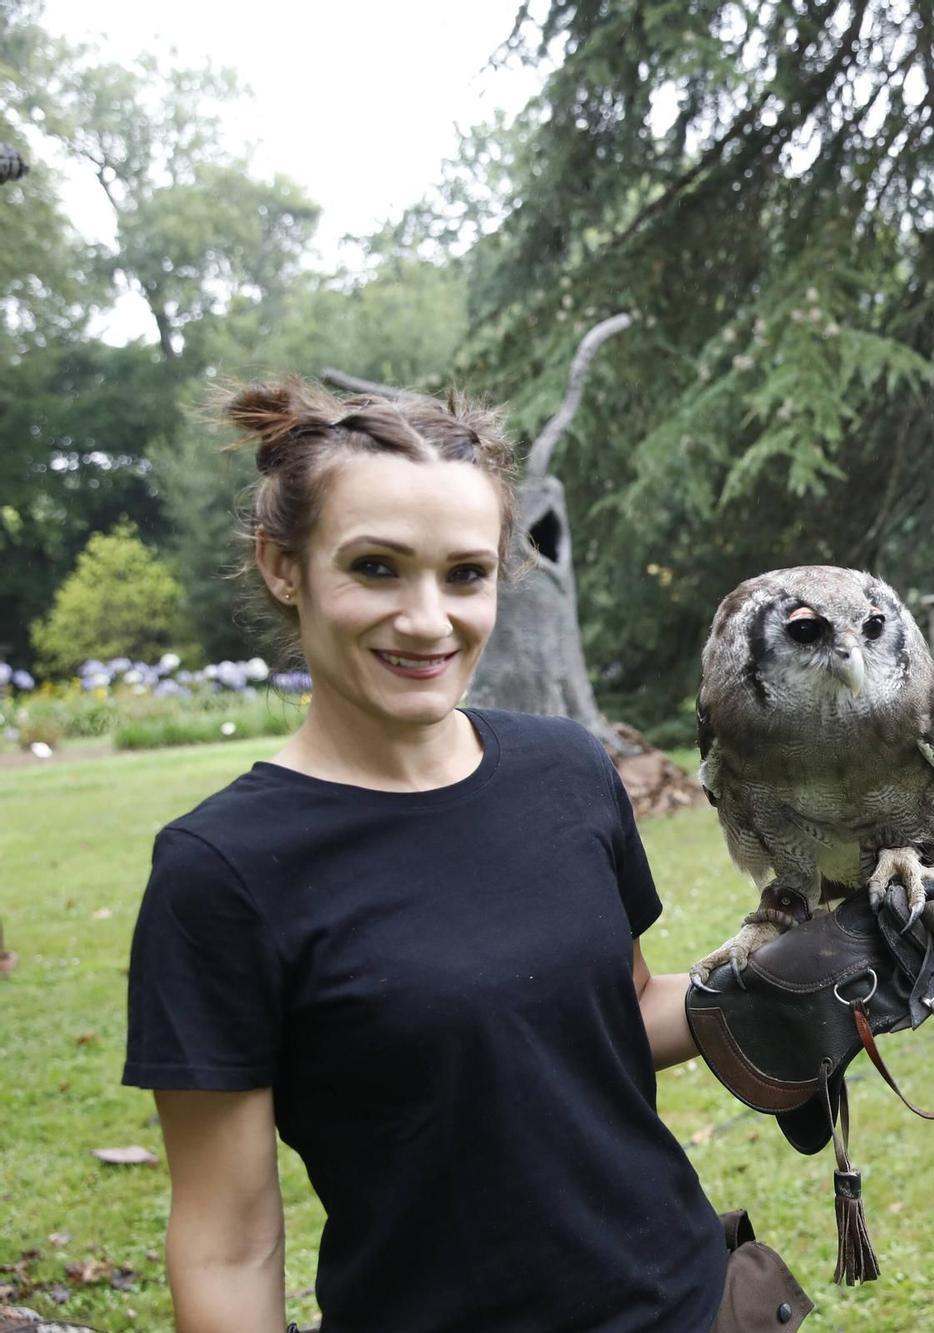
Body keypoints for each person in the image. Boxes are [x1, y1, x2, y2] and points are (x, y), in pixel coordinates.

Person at [122, 381, 727, 1332]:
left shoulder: (566, 770)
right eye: (375, 567)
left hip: (686, 1303)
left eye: (464, 575)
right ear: (283, 566)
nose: (428, 620)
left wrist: (786, 974)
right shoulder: (223, 870)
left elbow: (621, 1016)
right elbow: (227, 1243)